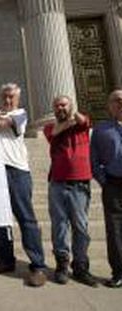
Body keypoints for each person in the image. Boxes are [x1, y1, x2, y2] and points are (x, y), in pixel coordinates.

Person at [0, 83, 47, 287]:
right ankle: (6, 260)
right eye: (5, 96)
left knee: (26, 219)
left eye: (11, 96)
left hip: (16, 172)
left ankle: (38, 266)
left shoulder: (21, 113)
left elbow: (8, 123)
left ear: (17, 98)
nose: (8, 100)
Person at [44, 96, 98, 287]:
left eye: (64, 105)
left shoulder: (82, 124)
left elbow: (83, 121)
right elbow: (56, 132)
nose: (60, 108)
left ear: (71, 106)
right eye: (57, 105)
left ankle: (81, 266)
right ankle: (62, 265)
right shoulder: (50, 127)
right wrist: (67, 119)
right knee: (59, 226)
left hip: (79, 184)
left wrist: (73, 112)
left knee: (80, 227)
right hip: (58, 183)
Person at [91, 89, 122, 288]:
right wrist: (104, 180)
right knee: (115, 230)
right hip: (114, 184)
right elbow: (94, 159)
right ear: (109, 105)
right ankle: (119, 272)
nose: (120, 103)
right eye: (116, 100)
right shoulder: (101, 129)